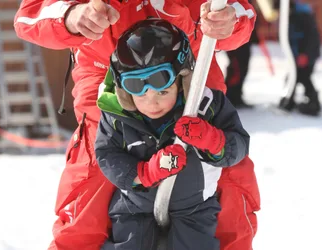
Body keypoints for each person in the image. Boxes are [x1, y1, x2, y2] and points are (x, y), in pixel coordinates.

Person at [14, 1, 260, 249]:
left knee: (230, 180)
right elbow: (29, 16)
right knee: (92, 183)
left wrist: (228, 21)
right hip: (110, 81)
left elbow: (241, 13)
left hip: (191, 74)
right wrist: (71, 16)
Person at [95, 18, 251, 250]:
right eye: (140, 94)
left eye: (163, 91)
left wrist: (212, 140)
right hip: (134, 208)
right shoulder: (116, 117)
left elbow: (239, 145)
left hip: (194, 208)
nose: (152, 102)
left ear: (182, 79)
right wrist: (143, 173)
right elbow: (107, 155)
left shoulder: (206, 106)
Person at [275, 0, 322, 116]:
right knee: (294, 77)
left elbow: (312, 37)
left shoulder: (302, 15)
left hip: (306, 53)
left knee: (303, 77)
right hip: (297, 54)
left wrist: (306, 55)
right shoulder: (291, 15)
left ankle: (312, 104)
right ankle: (289, 102)